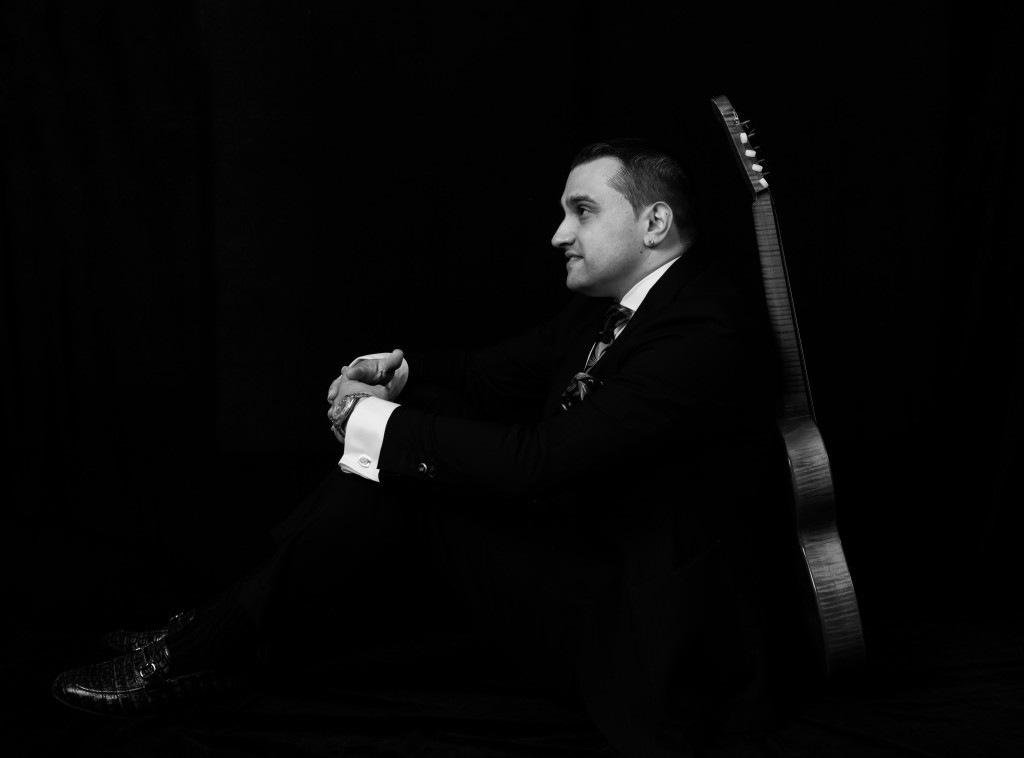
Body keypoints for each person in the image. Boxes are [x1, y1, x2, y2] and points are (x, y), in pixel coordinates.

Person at [51, 138, 796, 758]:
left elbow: (538, 463)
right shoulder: (608, 309)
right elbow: (484, 375)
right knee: (402, 453)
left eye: (583, 211)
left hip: (640, 634)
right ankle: (219, 633)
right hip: (584, 563)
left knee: (397, 470)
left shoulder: (703, 330)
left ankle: (208, 642)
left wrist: (376, 427)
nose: (558, 234)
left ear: (655, 221)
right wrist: (397, 375)